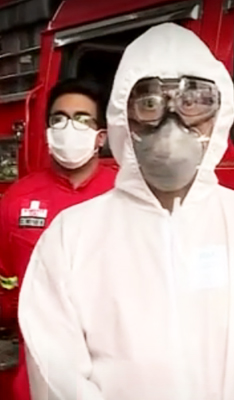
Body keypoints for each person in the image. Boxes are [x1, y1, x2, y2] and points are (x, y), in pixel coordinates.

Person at [17, 23, 234, 400]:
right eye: (149, 104)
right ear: (121, 113)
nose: (171, 125)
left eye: (193, 102)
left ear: (220, 113)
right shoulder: (69, 237)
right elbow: (56, 371)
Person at [0, 78, 116, 400]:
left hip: (113, 377)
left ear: (101, 136)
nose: (68, 127)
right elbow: (5, 280)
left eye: (82, 119)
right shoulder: (17, 199)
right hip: (39, 376)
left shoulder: (127, 195)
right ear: (49, 133)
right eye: (59, 119)